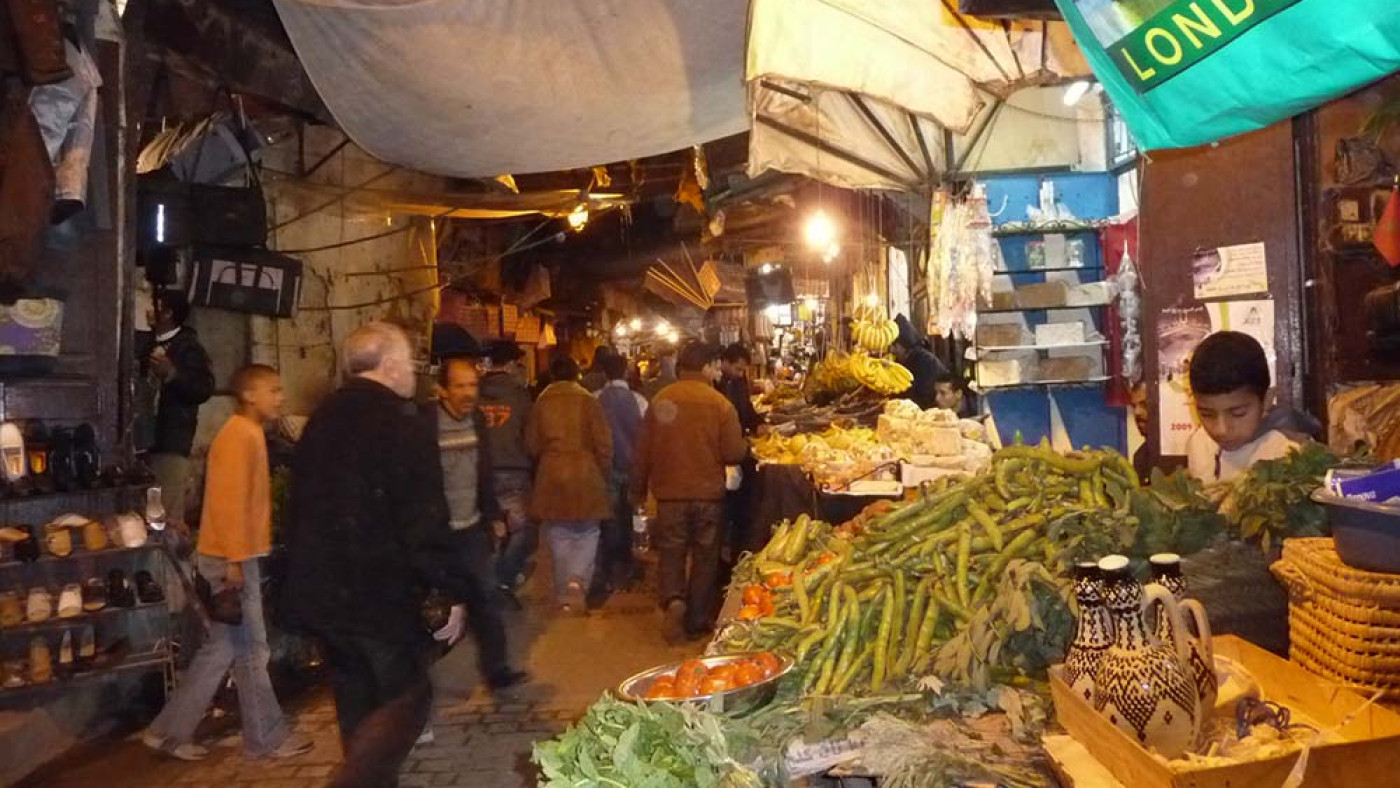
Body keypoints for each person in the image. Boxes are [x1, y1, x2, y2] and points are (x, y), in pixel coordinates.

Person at [280, 322, 477, 787]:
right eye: (410, 362)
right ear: (389, 365)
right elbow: (423, 515)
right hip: (378, 591)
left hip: (325, 593)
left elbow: (300, 506)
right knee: (408, 697)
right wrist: (448, 589)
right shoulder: (401, 421)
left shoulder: (321, 418)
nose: (414, 372)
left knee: (356, 700)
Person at [143, 365, 312, 762]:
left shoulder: (242, 433)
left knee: (221, 650)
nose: (280, 397)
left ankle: (167, 731)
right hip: (232, 558)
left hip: (228, 554)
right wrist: (235, 561)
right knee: (252, 651)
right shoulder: (241, 436)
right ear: (250, 395)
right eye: (273, 390)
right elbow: (230, 503)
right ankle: (266, 738)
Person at [632, 342, 747, 642]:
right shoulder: (720, 404)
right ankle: (697, 619)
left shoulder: (662, 400)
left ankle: (673, 599)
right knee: (705, 557)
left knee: (671, 552)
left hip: (669, 495)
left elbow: (642, 453)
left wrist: (638, 492)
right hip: (708, 495)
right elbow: (734, 453)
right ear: (706, 367)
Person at [433, 356, 529, 691]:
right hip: (438, 531)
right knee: (435, 607)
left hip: (471, 528)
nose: (467, 392)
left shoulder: (475, 419)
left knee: (485, 598)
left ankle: (497, 670)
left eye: (472, 385)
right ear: (442, 389)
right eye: (459, 385)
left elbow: (482, 470)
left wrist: (492, 515)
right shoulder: (427, 423)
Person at [526, 354, 613, 614]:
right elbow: (604, 444)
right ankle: (578, 581)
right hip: (586, 472)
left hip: (552, 473)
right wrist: (602, 472)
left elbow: (532, 444)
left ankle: (566, 588)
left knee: (559, 532)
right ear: (577, 374)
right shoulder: (588, 400)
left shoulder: (542, 402)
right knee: (589, 532)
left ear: (552, 374)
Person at [1185, 331, 1318, 486]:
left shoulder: (1291, 451)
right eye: (1207, 414)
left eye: (1238, 414)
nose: (1221, 430)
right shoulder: (1198, 445)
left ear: (1266, 400)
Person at [143, 290, 215, 530]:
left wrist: (173, 373)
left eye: (153, 305)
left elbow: (203, 388)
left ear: (168, 313)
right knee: (146, 514)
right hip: (143, 441)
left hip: (171, 441)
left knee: (167, 517)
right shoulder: (146, 343)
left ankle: (171, 553)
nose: (147, 310)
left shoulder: (189, 348)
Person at [478, 341, 537, 597]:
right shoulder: (520, 396)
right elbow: (531, 437)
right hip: (514, 470)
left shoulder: (474, 394)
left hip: (480, 471)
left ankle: (489, 578)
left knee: (486, 529)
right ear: (511, 364)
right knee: (519, 530)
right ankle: (504, 577)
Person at [590, 353, 647, 607]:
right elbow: (645, 437)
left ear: (604, 373)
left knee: (610, 518)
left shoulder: (594, 400)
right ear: (626, 372)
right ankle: (626, 566)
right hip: (633, 468)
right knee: (630, 517)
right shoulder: (639, 401)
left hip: (606, 468)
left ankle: (610, 569)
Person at [890, 315, 947, 410]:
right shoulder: (902, 361)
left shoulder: (925, 362)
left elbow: (922, 397)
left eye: (895, 346)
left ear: (905, 346)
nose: (892, 350)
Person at [718, 343, 761, 435]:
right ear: (725, 362)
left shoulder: (739, 379)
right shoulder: (714, 383)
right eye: (738, 369)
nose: (741, 374)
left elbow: (746, 405)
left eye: (743, 370)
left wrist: (757, 424)